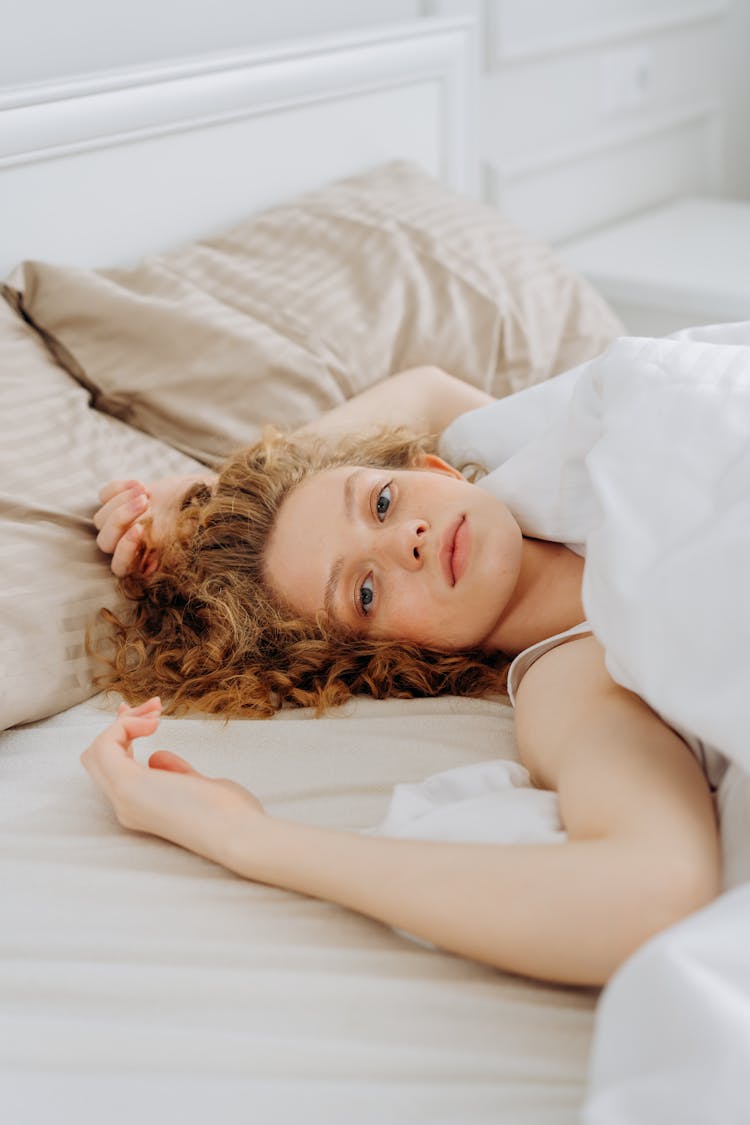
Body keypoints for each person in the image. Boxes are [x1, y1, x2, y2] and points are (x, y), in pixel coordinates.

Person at [82, 366, 721, 987]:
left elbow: (428, 391)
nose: (405, 541)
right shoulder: (574, 685)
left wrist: (211, 492)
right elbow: (651, 891)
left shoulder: (541, 461)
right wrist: (243, 836)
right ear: (397, 656)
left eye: (382, 501)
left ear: (433, 469)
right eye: (364, 591)